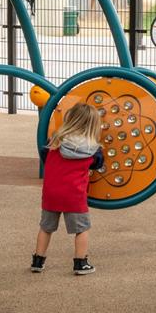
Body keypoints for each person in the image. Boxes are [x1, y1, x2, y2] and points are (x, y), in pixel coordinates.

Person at [33, 101, 105, 275]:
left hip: (51, 193)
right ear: (93, 125)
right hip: (74, 195)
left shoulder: (54, 141)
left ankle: (38, 261)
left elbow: (44, 156)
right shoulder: (93, 149)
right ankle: (80, 263)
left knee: (46, 227)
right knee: (81, 229)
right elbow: (98, 164)